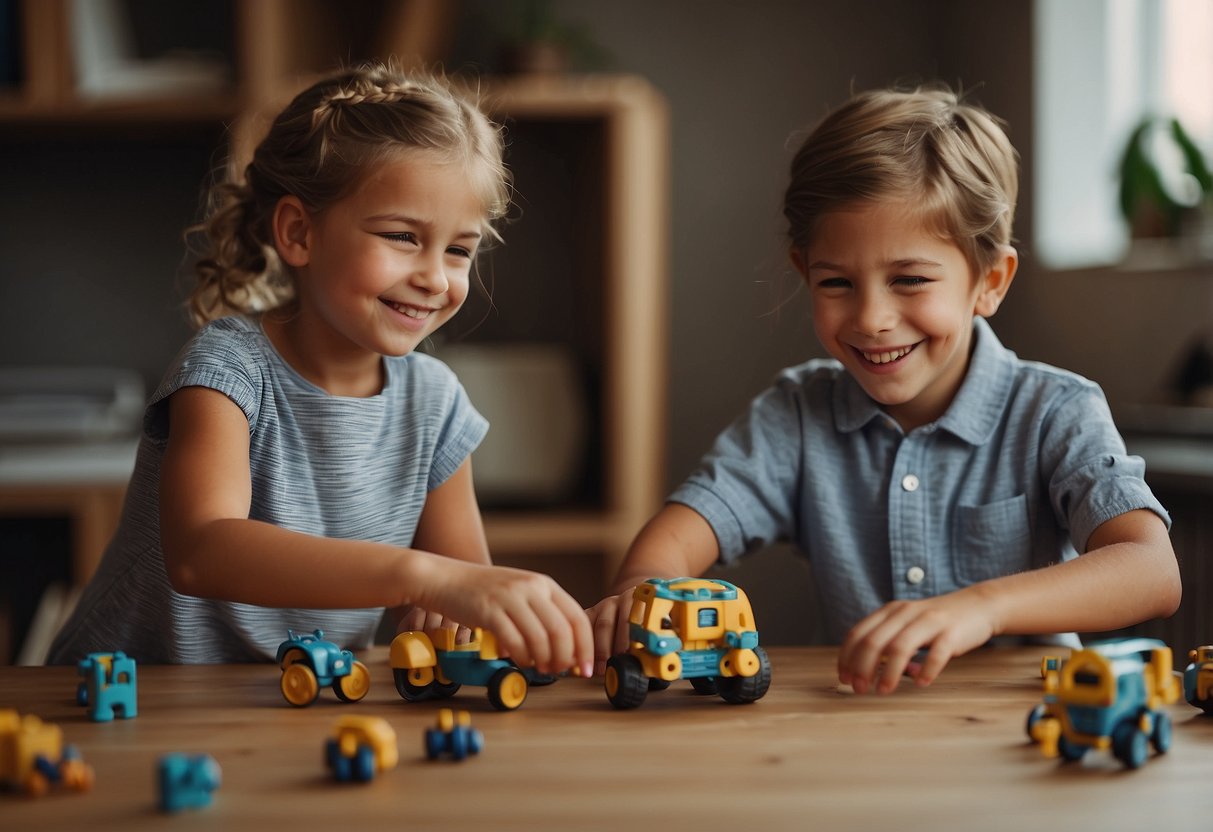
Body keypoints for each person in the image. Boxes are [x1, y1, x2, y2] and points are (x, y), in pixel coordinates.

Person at [587, 85, 1180, 694]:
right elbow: (673, 542)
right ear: (804, 273)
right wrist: (642, 591)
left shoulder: (1057, 411)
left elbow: (1152, 571)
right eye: (838, 282)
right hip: (860, 732)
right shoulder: (795, 414)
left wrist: (982, 607)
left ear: (990, 282)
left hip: (1023, 736)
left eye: (910, 279)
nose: (871, 317)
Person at [48, 63, 593, 675]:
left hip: (293, 700)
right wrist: (424, 578)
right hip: (125, 696)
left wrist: (465, 610)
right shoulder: (227, 369)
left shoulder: (435, 403)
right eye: (402, 237)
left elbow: (461, 589)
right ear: (298, 233)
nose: (436, 277)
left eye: (459, 250)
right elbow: (200, 551)